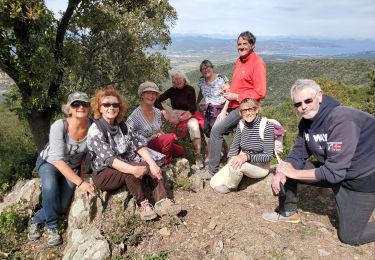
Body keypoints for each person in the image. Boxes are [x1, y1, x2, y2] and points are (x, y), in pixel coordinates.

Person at [262, 79, 375, 245]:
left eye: (308, 100)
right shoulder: (306, 123)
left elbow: (333, 173)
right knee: (289, 167)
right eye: (298, 104)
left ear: (320, 96)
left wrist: (291, 172)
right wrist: (283, 171)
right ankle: (288, 212)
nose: (303, 107)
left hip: (361, 179)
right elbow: (299, 152)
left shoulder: (341, 119)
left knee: (350, 236)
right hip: (335, 171)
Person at [87, 86, 181, 221]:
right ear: (99, 108)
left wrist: (152, 164)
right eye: (106, 104)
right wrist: (133, 169)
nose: (111, 108)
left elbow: (138, 144)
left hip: (124, 163)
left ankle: (162, 201)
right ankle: (143, 204)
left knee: (149, 166)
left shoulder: (122, 126)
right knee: (129, 170)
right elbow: (110, 160)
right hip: (104, 173)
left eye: (115, 104)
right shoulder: (96, 131)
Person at [28, 92, 96, 246]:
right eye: (76, 104)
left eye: (84, 104)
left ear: (89, 108)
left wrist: (87, 174)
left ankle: (36, 219)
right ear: (69, 108)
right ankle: (52, 227)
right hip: (50, 163)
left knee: (63, 204)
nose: (80, 107)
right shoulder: (60, 126)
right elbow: (57, 160)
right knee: (50, 188)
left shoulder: (93, 127)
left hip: (73, 167)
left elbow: (91, 153)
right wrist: (81, 182)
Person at [198, 31, 267, 180]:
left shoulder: (257, 63)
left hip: (244, 108)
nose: (241, 47)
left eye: (245, 44)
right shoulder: (239, 61)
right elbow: (236, 85)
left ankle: (211, 171)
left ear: (252, 45)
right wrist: (227, 99)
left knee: (216, 131)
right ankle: (219, 166)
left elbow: (260, 92)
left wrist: (236, 96)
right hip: (231, 105)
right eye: (239, 44)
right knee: (216, 131)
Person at [210, 98, 273, 193]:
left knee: (239, 167)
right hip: (241, 160)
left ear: (256, 109)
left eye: (250, 109)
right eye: (244, 110)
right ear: (240, 113)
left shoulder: (266, 126)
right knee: (213, 182)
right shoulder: (241, 124)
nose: (247, 113)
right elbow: (235, 146)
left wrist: (247, 157)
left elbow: (267, 157)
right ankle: (237, 176)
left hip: (260, 166)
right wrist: (231, 159)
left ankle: (231, 186)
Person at [126, 81, 185, 164]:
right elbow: (128, 138)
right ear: (142, 95)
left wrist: (166, 138)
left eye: (154, 93)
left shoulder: (157, 112)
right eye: (148, 93)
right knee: (169, 138)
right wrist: (168, 138)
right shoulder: (134, 117)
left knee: (180, 151)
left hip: (158, 142)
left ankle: (161, 153)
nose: (151, 96)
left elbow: (158, 130)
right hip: (145, 146)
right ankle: (165, 161)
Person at [155, 71, 204, 168]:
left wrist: (181, 119)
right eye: (175, 79)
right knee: (158, 107)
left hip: (188, 114)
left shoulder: (190, 89)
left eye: (179, 79)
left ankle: (198, 155)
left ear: (184, 79)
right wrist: (163, 111)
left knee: (194, 125)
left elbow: (192, 109)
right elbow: (157, 100)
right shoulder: (172, 90)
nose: (177, 81)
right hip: (174, 113)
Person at [196, 60, 230, 165]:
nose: (206, 70)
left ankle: (208, 157)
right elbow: (202, 92)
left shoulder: (222, 79)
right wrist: (196, 103)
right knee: (210, 132)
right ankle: (227, 151)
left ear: (212, 67)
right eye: (203, 69)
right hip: (208, 110)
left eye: (207, 67)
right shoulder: (201, 80)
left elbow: (229, 95)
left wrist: (224, 111)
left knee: (213, 133)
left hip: (220, 109)